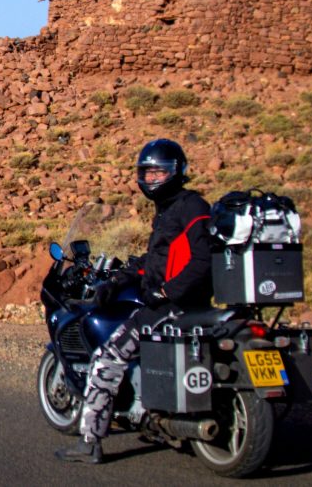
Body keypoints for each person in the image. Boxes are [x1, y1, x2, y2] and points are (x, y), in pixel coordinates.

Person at [55, 138, 213, 464]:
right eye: (148, 173)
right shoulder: (171, 209)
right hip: (181, 306)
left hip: (171, 309)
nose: (153, 179)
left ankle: (91, 442)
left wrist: (167, 291)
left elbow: (203, 260)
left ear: (177, 171)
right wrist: (120, 278)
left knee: (105, 359)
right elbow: (157, 260)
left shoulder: (192, 207)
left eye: (160, 172)